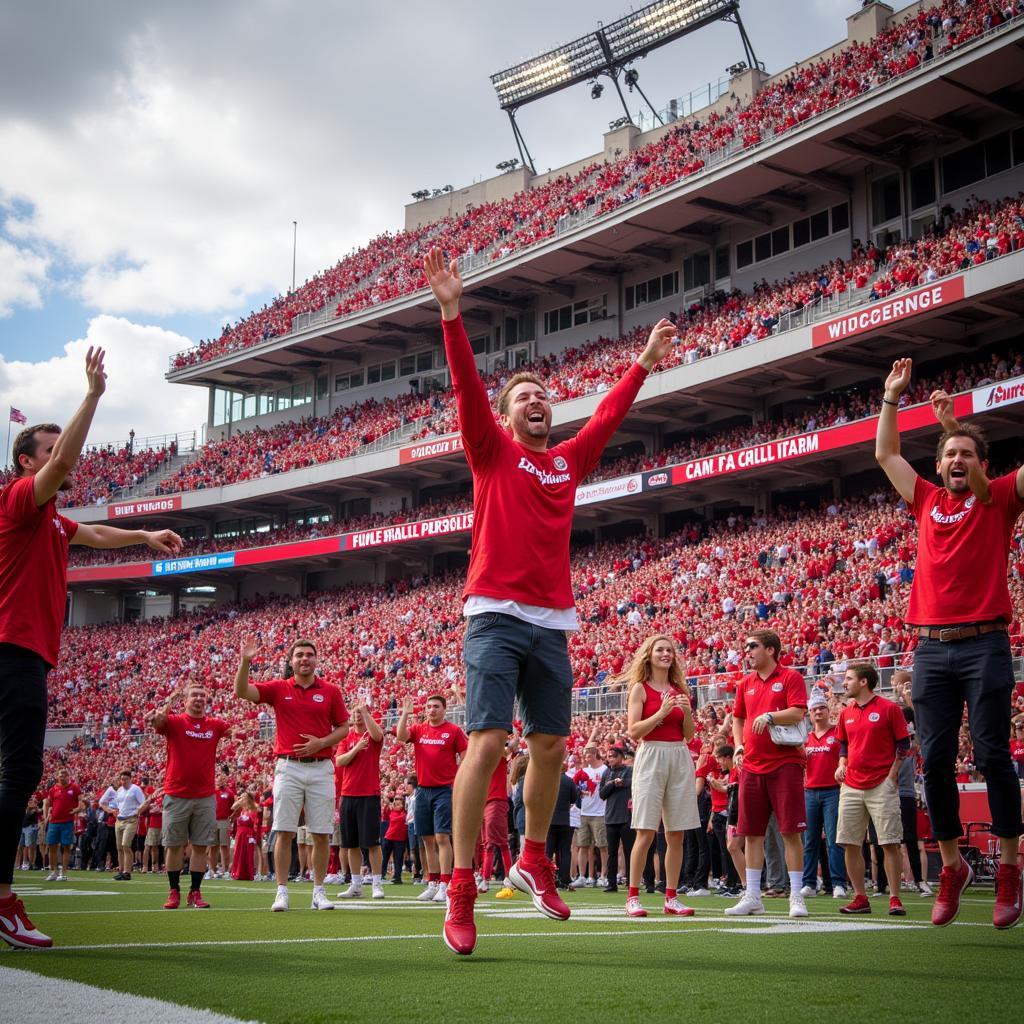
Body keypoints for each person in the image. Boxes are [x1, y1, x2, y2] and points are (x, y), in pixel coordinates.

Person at [423, 246, 678, 955]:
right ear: (504, 419)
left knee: (552, 743)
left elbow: (606, 418)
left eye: (543, 394)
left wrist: (645, 363)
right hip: (493, 614)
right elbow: (469, 387)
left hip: (551, 622)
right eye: (523, 397)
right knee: (487, 742)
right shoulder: (491, 450)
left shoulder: (566, 461)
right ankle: (463, 884)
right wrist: (452, 314)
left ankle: (533, 857)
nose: (537, 399)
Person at [0, 347, 182, 949]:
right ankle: (2, 899)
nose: (60, 458)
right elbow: (62, 465)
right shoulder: (21, 499)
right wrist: (93, 397)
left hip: (23, 653)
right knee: (19, 772)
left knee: (16, 772)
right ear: (27, 462)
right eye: (49, 450)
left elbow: (97, 532)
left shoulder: (51, 517)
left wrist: (144, 535)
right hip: (12, 649)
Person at [875, 361, 1024, 929]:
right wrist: (892, 399)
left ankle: (1009, 869)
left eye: (966, 453)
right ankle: (952, 865)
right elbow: (887, 455)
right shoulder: (927, 501)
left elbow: (996, 486)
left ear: (983, 464)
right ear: (938, 465)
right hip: (931, 648)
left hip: (986, 642)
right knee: (933, 761)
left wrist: (957, 422)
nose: (956, 460)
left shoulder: (1003, 496)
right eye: (948, 454)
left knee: (991, 757)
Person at [234, 636, 350, 912]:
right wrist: (246, 661)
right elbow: (242, 691)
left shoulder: (330, 690)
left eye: (309, 654)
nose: (304, 659)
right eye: (299, 655)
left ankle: (318, 891)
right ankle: (282, 891)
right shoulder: (278, 688)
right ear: (291, 660)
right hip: (288, 767)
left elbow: (344, 728)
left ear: (316, 659)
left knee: (321, 833)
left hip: (321, 767)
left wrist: (321, 743)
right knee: (283, 831)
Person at [727, 630, 810, 920]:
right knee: (751, 833)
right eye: (746, 646)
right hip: (751, 764)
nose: (747, 651)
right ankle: (752, 895)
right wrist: (738, 746)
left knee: (790, 831)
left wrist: (771, 716)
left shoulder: (790, 678)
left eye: (753, 646)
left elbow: (799, 712)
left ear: (771, 650)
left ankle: (796, 895)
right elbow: (738, 717)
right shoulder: (744, 683)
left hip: (785, 762)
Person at [625, 634, 699, 918]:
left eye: (669, 650)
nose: (666, 654)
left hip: (679, 754)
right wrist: (662, 713)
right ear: (649, 655)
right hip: (651, 754)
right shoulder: (640, 690)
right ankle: (632, 896)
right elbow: (634, 732)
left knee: (676, 833)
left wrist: (686, 713)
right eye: (660, 650)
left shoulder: (680, 688)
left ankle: (671, 896)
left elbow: (689, 735)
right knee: (645, 831)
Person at [834, 664, 911, 917]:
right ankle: (860, 897)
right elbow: (844, 744)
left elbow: (904, 743)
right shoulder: (846, 713)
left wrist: (892, 775)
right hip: (851, 785)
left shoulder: (889, 708)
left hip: (881, 784)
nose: (844, 683)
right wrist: (842, 764)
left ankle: (895, 898)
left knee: (889, 842)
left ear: (864, 681)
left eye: (848, 679)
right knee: (849, 843)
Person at [147, 682, 231, 909]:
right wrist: (165, 705)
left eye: (202, 695)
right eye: (194, 695)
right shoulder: (175, 722)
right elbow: (157, 721)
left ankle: (195, 891)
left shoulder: (214, 724)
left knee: (201, 846)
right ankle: (173, 890)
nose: (199, 698)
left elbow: (235, 731)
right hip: (176, 793)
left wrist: (244, 734)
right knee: (174, 845)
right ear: (185, 700)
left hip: (205, 795)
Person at [396, 694, 467, 904]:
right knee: (426, 839)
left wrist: (459, 776)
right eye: (428, 707)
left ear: (444, 709)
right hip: (422, 790)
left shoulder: (453, 730)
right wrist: (405, 714)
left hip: (444, 790)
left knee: (442, 837)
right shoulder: (419, 729)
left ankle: (446, 884)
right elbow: (401, 736)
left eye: (436, 706)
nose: (432, 710)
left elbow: (465, 752)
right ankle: (433, 882)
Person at [335, 703, 386, 900]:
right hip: (348, 794)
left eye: (360, 712)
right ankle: (355, 884)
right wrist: (356, 748)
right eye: (355, 712)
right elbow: (340, 761)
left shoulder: (371, 736)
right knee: (351, 844)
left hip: (369, 794)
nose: (357, 715)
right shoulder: (346, 737)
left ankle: (376, 882)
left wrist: (366, 712)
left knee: (372, 843)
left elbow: (378, 735)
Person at [800, 690, 847, 899]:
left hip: (833, 791)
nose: (818, 712)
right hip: (809, 792)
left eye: (821, 708)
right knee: (810, 840)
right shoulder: (805, 739)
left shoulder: (837, 735)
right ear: (809, 714)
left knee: (833, 840)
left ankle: (838, 883)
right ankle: (809, 883)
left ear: (829, 711)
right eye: (814, 709)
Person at [572, 746, 609, 888]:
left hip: (600, 813)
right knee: (582, 845)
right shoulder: (583, 771)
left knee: (602, 846)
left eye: (588, 754)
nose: (586, 756)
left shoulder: (604, 770)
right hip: (584, 813)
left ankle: (603, 875)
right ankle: (582, 876)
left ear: (595, 754)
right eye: (585, 754)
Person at [99, 771, 146, 881]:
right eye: (122, 779)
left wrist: (137, 812)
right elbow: (115, 804)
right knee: (119, 847)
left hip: (131, 820)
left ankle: (127, 871)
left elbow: (143, 802)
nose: (123, 781)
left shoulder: (135, 789)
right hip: (119, 820)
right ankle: (121, 870)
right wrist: (111, 810)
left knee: (126, 844)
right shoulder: (119, 790)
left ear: (130, 779)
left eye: (125, 779)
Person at [599, 746, 633, 894]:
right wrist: (613, 783)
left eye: (613, 756)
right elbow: (602, 794)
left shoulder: (629, 770)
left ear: (621, 757)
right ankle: (611, 883)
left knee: (629, 851)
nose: (610, 759)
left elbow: (633, 784)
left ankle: (632, 882)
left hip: (626, 817)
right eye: (609, 756)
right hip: (611, 818)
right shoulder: (607, 772)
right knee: (612, 853)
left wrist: (622, 783)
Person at [42, 767, 83, 882]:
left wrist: (76, 810)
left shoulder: (75, 788)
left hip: (67, 822)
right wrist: (46, 817)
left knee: (66, 847)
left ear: (68, 776)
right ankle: (53, 871)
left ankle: (63, 873)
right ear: (57, 777)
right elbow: (47, 803)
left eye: (64, 775)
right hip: (53, 822)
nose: (62, 777)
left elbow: (81, 803)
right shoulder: (53, 789)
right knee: (52, 846)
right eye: (60, 775)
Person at [230, 792, 261, 881]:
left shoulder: (254, 809)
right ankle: (238, 873)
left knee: (248, 854)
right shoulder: (242, 809)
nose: (242, 798)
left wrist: (250, 799)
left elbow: (258, 809)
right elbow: (233, 807)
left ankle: (249, 874)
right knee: (238, 853)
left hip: (248, 834)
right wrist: (240, 799)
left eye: (244, 797)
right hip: (240, 834)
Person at [212, 771, 237, 879]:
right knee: (213, 846)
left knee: (224, 846)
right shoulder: (212, 791)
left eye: (223, 779)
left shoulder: (229, 793)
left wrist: (231, 818)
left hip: (223, 820)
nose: (221, 780)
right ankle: (212, 869)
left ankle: (224, 868)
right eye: (219, 778)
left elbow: (234, 807)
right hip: (212, 820)